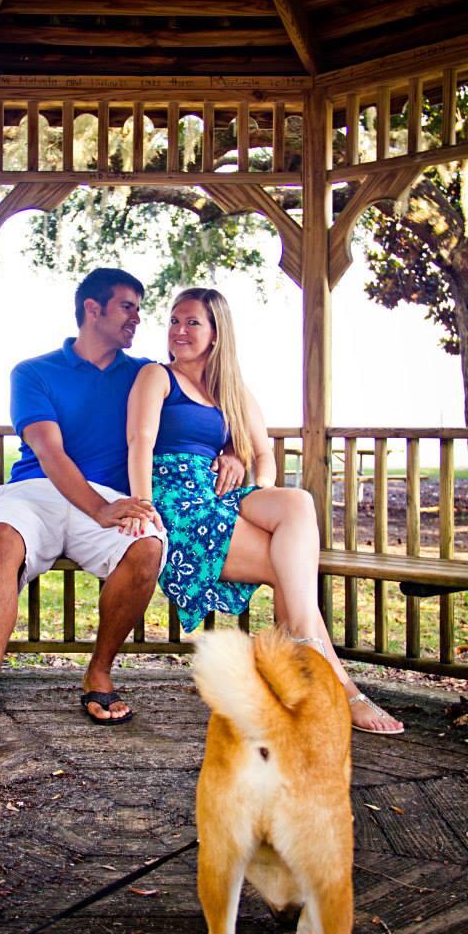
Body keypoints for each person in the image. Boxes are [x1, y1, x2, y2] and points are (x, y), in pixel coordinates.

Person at [0, 269, 240, 765]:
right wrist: (99, 509)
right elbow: (50, 452)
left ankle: (99, 671)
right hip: (37, 491)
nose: (138, 318)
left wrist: (231, 450)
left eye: (140, 308)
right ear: (92, 309)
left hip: (108, 499)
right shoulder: (33, 372)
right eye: (127, 307)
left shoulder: (146, 373)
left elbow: (204, 409)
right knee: (1, 539)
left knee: (147, 546)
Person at [125, 287, 404, 735]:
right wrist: (143, 504)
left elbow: (264, 456)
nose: (179, 330)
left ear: (217, 333)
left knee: (297, 502)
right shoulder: (157, 376)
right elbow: (139, 442)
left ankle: (303, 661)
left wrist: (244, 470)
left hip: (216, 495)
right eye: (175, 320)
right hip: (175, 502)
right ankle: (335, 683)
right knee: (288, 569)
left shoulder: (231, 390)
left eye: (192, 322)